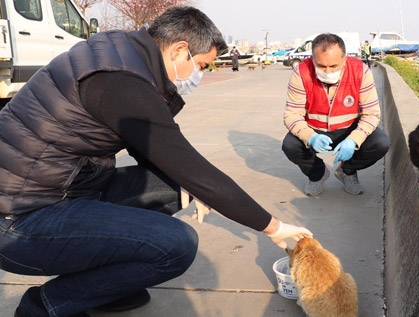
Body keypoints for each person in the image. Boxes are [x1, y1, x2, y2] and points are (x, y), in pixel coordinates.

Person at [0, 7, 312, 317]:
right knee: (177, 246)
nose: (199, 74)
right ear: (180, 50)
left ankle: (99, 289)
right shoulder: (121, 82)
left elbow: (150, 150)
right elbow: (191, 166)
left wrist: (190, 184)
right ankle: (45, 305)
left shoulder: (122, 53)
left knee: (174, 188)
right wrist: (273, 226)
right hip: (20, 219)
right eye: (201, 65)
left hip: (61, 189)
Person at [282, 33, 390, 196]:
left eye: (333, 66)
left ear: (345, 59)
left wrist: (354, 140)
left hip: (348, 130)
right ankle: (317, 174)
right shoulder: (301, 73)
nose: (327, 71)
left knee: (380, 143)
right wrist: (310, 137)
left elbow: (372, 114)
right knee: (290, 145)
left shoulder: (361, 71)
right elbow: (292, 115)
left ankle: (347, 170)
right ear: (312, 59)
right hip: (315, 130)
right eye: (321, 66)